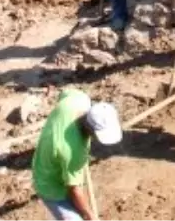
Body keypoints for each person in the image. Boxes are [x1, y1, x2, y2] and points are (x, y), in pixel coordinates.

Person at [31, 88, 122, 221]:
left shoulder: (78, 100)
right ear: (92, 131)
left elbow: (63, 94)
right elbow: (74, 191)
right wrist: (90, 216)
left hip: (44, 157)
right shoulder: (74, 153)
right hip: (49, 185)